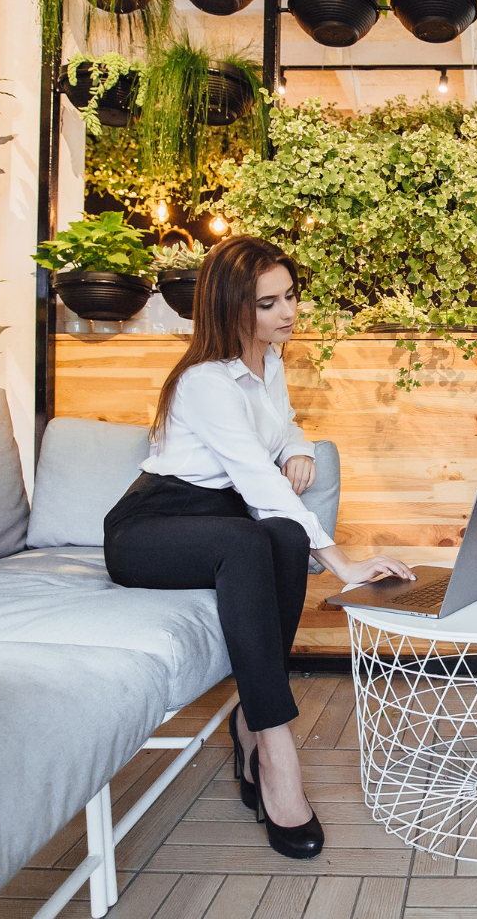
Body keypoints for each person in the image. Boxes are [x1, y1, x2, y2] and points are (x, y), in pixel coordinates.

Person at [103, 236, 415, 860]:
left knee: (281, 531)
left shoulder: (268, 362)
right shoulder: (203, 381)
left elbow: (278, 425)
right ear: (230, 307)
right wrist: (344, 564)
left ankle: (249, 717)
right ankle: (274, 748)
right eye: (268, 303)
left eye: (290, 297)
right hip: (149, 526)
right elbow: (254, 476)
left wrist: (298, 444)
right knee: (258, 531)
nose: (287, 313)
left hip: (216, 522)